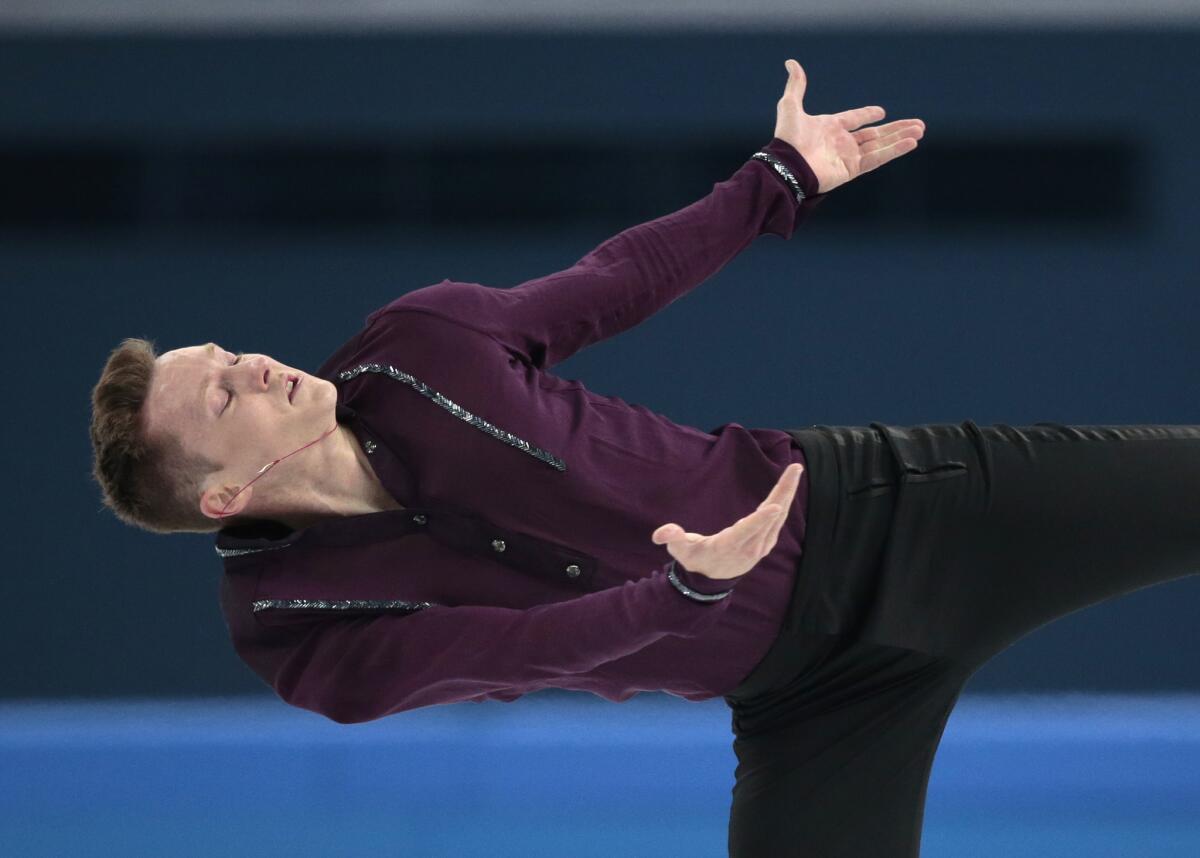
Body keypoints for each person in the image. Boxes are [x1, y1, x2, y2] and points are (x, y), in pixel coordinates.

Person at [94, 59, 1199, 856]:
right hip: (811, 703)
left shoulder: (417, 342)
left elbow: (615, 278)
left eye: (230, 350)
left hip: (902, 509)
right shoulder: (294, 635)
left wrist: (779, 179)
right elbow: (520, 650)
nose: (255, 366)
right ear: (226, 493)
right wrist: (677, 595)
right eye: (224, 394)